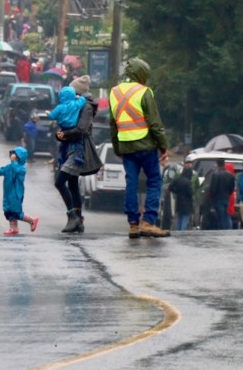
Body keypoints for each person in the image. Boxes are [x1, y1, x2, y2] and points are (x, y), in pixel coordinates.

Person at [109, 57, 170, 238]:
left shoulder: (114, 93)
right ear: (142, 74)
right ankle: (148, 222)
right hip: (145, 145)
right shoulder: (144, 92)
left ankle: (133, 224)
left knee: (131, 184)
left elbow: (113, 124)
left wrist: (117, 148)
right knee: (154, 181)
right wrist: (163, 145)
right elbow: (154, 123)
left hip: (126, 146)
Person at [53, 75, 102, 233]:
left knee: (60, 182)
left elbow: (81, 129)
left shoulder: (86, 107)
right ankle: (78, 219)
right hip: (70, 146)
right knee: (72, 184)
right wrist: (60, 134)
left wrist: (65, 134)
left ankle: (72, 216)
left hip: (79, 148)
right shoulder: (75, 105)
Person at [0, 147, 38, 235]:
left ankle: (32, 219)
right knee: (8, 211)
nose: (12, 156)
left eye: (15, 154)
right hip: (7, 193)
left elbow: (16, 170)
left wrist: (14, 162)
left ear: (19, 157)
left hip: (16, 193)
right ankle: (13, 228)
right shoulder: (9, 166)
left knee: (15, 211)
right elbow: (1, 171)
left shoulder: (21, 168)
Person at [206, 160, 235, 231]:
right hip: (226, 197)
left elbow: (213, 188)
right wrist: (228, 194)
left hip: (218, 198)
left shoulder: (215, 174)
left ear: (217, 164)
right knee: (226, 214)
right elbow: (232, 187)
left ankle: (222, 230)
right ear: (224, 164)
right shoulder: (230, 174)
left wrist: (211, 196)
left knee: (220, 216)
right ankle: (228, 229)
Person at [167, 166, 196, 231]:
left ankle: (177, 231)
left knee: (179, 218)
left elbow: (170, 188)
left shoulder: (177, 180)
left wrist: (176, 191)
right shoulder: (188, 182)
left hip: (179, 202)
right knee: (185, 219)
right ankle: (182, 232)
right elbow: (190, 193)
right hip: (187, 203)